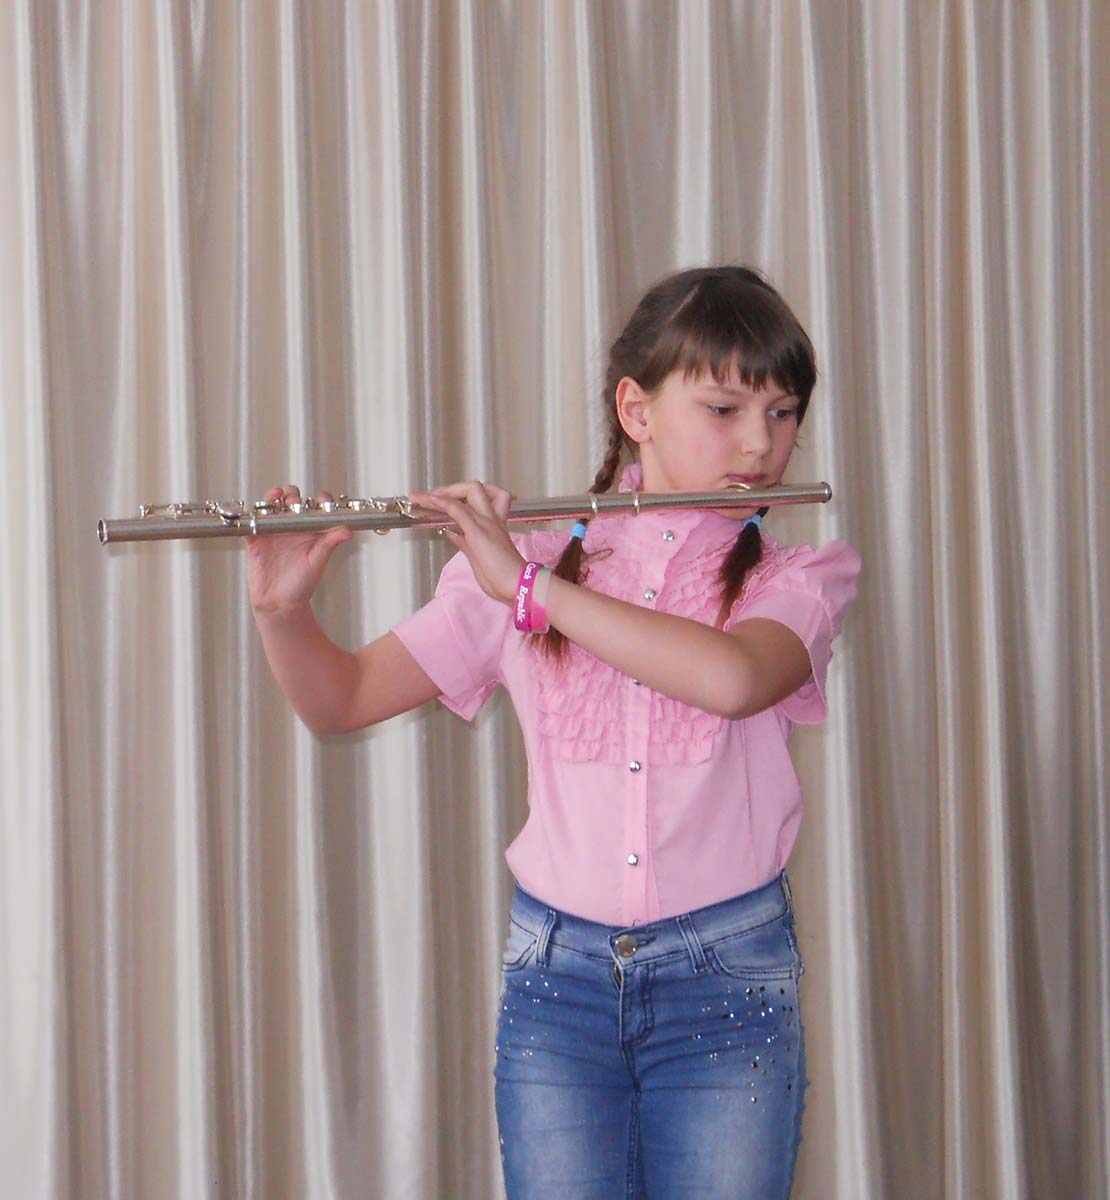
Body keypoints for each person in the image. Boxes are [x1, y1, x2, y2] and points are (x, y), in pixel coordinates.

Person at [248, 264, 862, 1199]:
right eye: (725, 408)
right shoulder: (529, 555)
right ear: (635, 408)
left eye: (782, 414)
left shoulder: (802, 575)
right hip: (557, 985)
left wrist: (531, 592)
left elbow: (735, 679)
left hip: (726, 983)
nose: (761, 443)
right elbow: (341, 699)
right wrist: (282, 612)